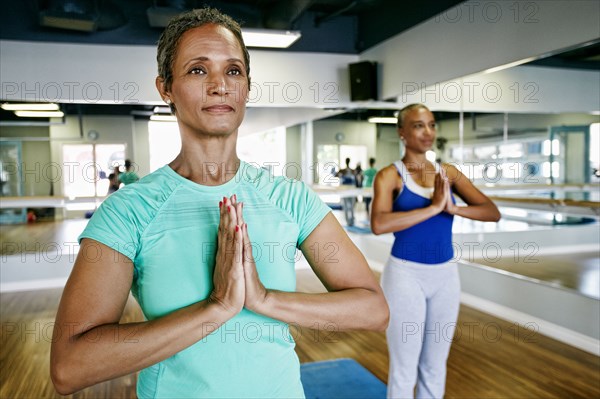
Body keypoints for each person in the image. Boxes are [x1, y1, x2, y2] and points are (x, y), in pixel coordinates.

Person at [50, 8, 388, 398]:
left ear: (246, 86)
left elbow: (373, 310)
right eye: (197, 70)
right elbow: (69, 367)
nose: (219, 85)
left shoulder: (288, 197)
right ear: (166, 88)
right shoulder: (130, 211)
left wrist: (263, 299)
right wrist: (216, 308)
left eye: (233, 71)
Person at [370, 103, 500, 399]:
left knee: (435, 365)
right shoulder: (390, 176)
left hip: (445, 276)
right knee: (404, 369)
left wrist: (453, 207)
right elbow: (379, 223)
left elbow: (492, 211)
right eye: (418, 125)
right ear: (402, 132)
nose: (427, 132)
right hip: (405, 276)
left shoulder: (448, 173)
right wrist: (432, 208)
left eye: (431, 124)